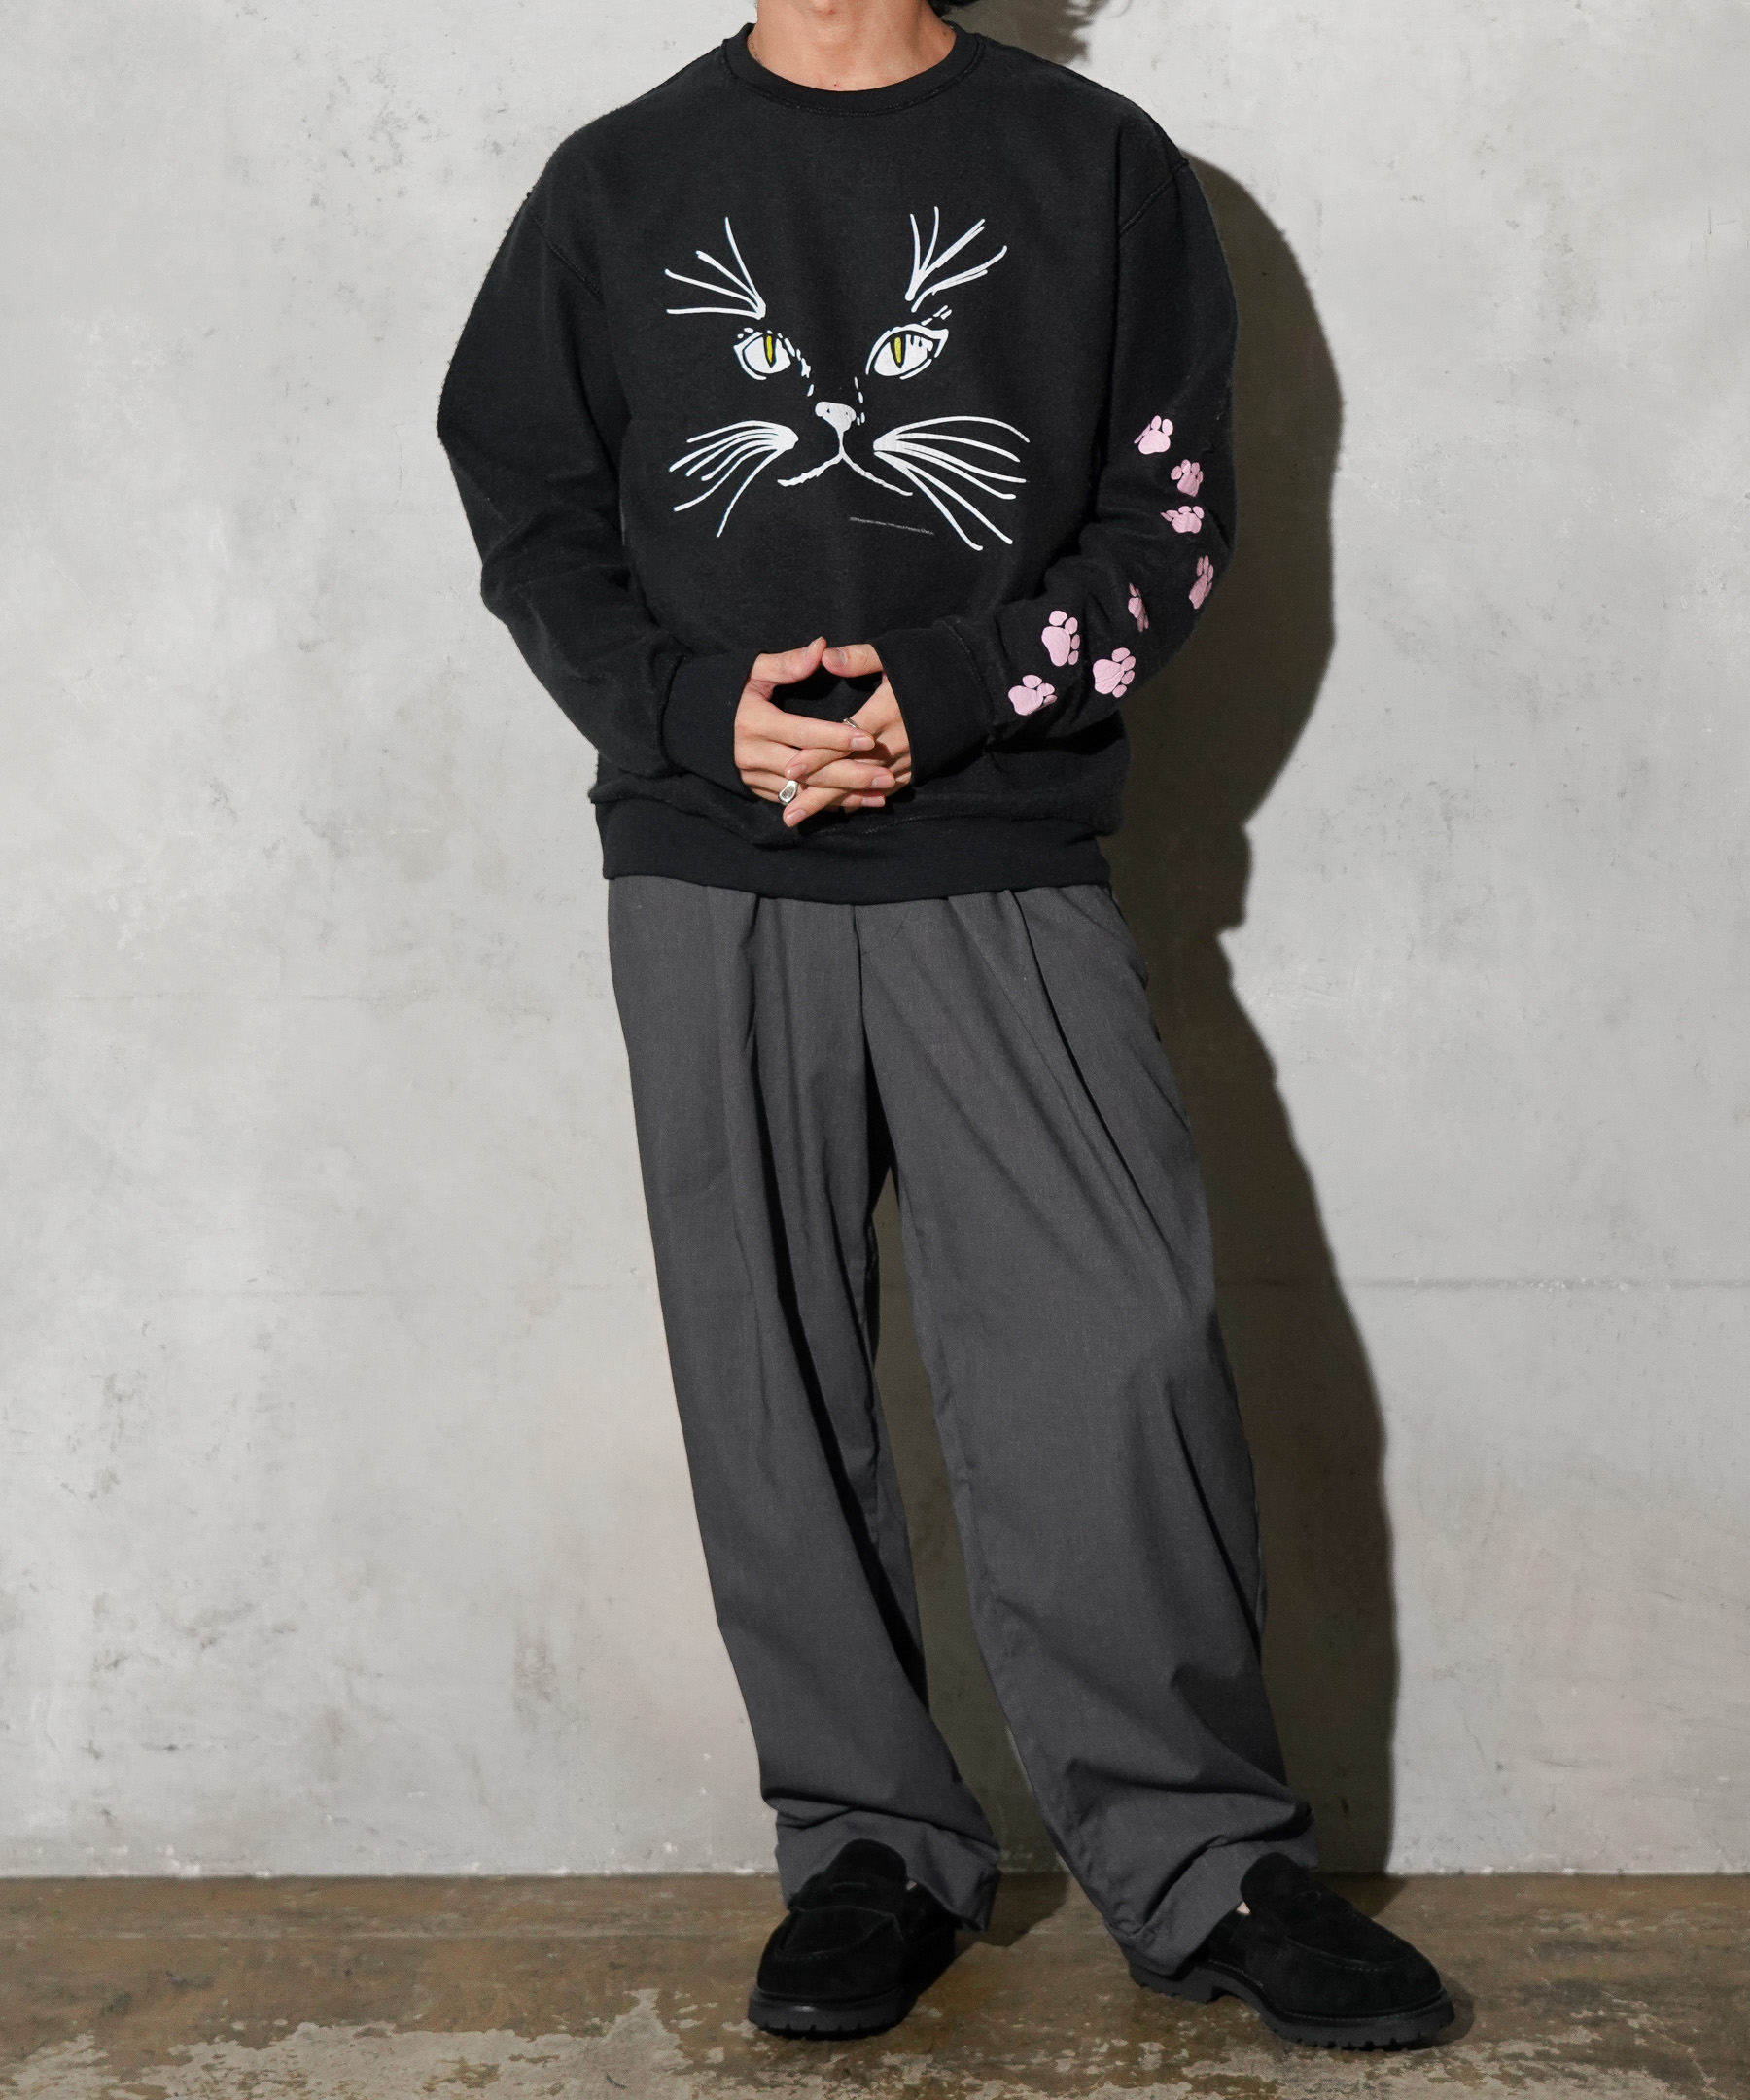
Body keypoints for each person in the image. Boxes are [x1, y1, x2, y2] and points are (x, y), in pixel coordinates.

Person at [437, 0, 1452, 2054]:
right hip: (710, 854)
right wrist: (685, 712)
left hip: (1002, 843)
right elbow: (531, 503)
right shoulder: (614, 183)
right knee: (766, 1369)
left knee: (1118, 1347)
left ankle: (1206, 1855)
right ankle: (867, 1850)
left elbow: (1172, 522)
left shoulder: (1099, 169)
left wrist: (966, 690)